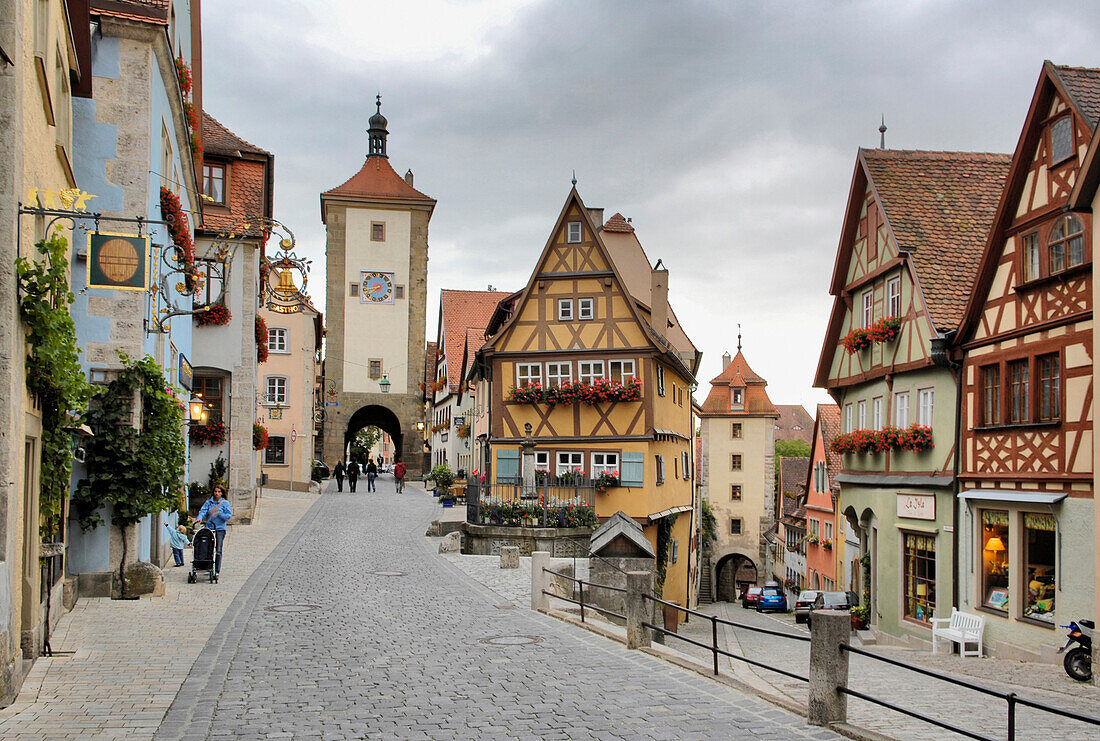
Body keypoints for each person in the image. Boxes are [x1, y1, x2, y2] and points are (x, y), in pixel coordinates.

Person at [197, 485, 233, 576]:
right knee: (208, 548)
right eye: (215, 491)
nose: (217, 493)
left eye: (219, 492)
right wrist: (200, 518)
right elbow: (203, 511)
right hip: (210, 528)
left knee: (218, 550)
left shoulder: (225, 503)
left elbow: (228, 516)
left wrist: (219, 513)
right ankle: (208, 567)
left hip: (220, 529)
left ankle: (217, 570)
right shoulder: (209, 502)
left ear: (222, 493)